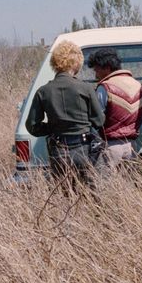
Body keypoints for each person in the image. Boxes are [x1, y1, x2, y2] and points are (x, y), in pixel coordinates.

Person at [25, 40, 105, 189]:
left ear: (55, 64)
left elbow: (32, 126)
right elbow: (99, 121)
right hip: (85, 147)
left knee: (66, 194)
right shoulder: (85, 88)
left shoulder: (43, 91)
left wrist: (52, 128)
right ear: (76, 63)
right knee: (94, 195)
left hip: (59, 149)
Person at [86, 48, 142, 175]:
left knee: (104, 187)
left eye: (97, 70)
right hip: (132, 145)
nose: (96, 75)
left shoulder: (105, 87)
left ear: (107, 68)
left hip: (111, 146)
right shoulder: (139, 86)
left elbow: (96, 119)